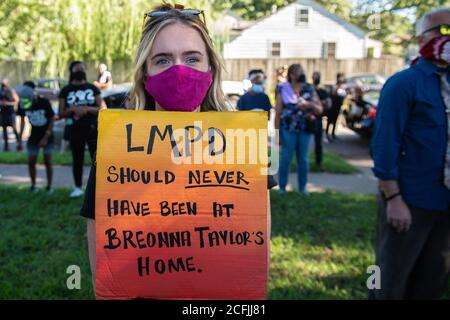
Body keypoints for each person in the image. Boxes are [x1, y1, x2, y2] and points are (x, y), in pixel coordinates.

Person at [79, 3, 276, 293]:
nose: (179, 71)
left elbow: (257, 249)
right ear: (145, 74)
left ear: (210, 67)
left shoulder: (247, 143)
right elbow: (105, 268)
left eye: (192, 58)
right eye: (162, 60)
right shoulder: (116, 147)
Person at [370, 7, 450, 300]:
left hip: (445, 204)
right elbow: (383, 146)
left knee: (433, 282)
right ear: (420, 39)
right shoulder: (403, 84)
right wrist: (393, 199)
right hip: (409, 201)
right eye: (443, 31)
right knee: (387, 280)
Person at [59, 61, 106, 198]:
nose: (79, 70)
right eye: (76, 68)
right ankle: (78, 187)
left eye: (81, 68)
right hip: (75, 129)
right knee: (77, 159)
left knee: (97, 159)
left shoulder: (92, 88)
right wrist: (72, 109)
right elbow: (61, 113)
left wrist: (86, 109)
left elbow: (103, 108)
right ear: (71, 71)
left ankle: (100, 187)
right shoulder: (66, 90)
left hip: (93, 129)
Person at [275, 64, 322, 195]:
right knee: (286, 158)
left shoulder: (309, 88)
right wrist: (277, 134)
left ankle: (303, 188)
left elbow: (319, 109)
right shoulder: (283, 88)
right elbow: (278, 112)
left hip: (305, 129)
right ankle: (282, 188)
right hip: (288, 129)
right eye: (297, 71)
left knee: (303, 159)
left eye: (302, 71)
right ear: (291, 74)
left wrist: (308, 104)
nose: (300, 73)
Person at [25, 87, 55, 193]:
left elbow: (52, 118)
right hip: (33, 137)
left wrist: (46, 137)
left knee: (48, 161)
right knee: (31, 161)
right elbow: (22, 119)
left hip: (47, 136)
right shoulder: (24, 103)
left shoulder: (44, 101)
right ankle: (33, 186)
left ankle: (49, 186)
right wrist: (19, 138)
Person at [311, 71, 331, 171]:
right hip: (309, 120)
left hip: (318, 120)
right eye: (315, 76)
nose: (316, 78)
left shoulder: (323, 91)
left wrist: (319, 103)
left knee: (318, 143)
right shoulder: (309, 90)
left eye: (317, 76)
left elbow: (328, 104)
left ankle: (319, 163)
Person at [0, 78, 21, 151]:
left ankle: (19, 143)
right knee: (4, 130)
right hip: (3, 113)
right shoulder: (1, 91)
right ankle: (6, 146)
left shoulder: (11, 91)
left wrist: (7, 103)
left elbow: (17, 101)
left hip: (10, 113)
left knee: (14, 129)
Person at [15, 81, 36, 150]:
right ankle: (29, 135)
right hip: (29, 106)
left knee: (22, 120)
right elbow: (33, 98)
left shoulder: (21, 88)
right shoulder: (31, 90)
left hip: (21, 105)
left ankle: (20, 136)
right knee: (30, 120)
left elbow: (17, 96)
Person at [326, 72, 347, 141]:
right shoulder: (335, 86)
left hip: (338, 106)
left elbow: (344, 96)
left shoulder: (343, 87)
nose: (341, 79)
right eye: (340, 78)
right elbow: (332, 94)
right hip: (332, 107)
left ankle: (333, 134)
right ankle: (327, 134)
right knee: (329, 121)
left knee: (335, 121)